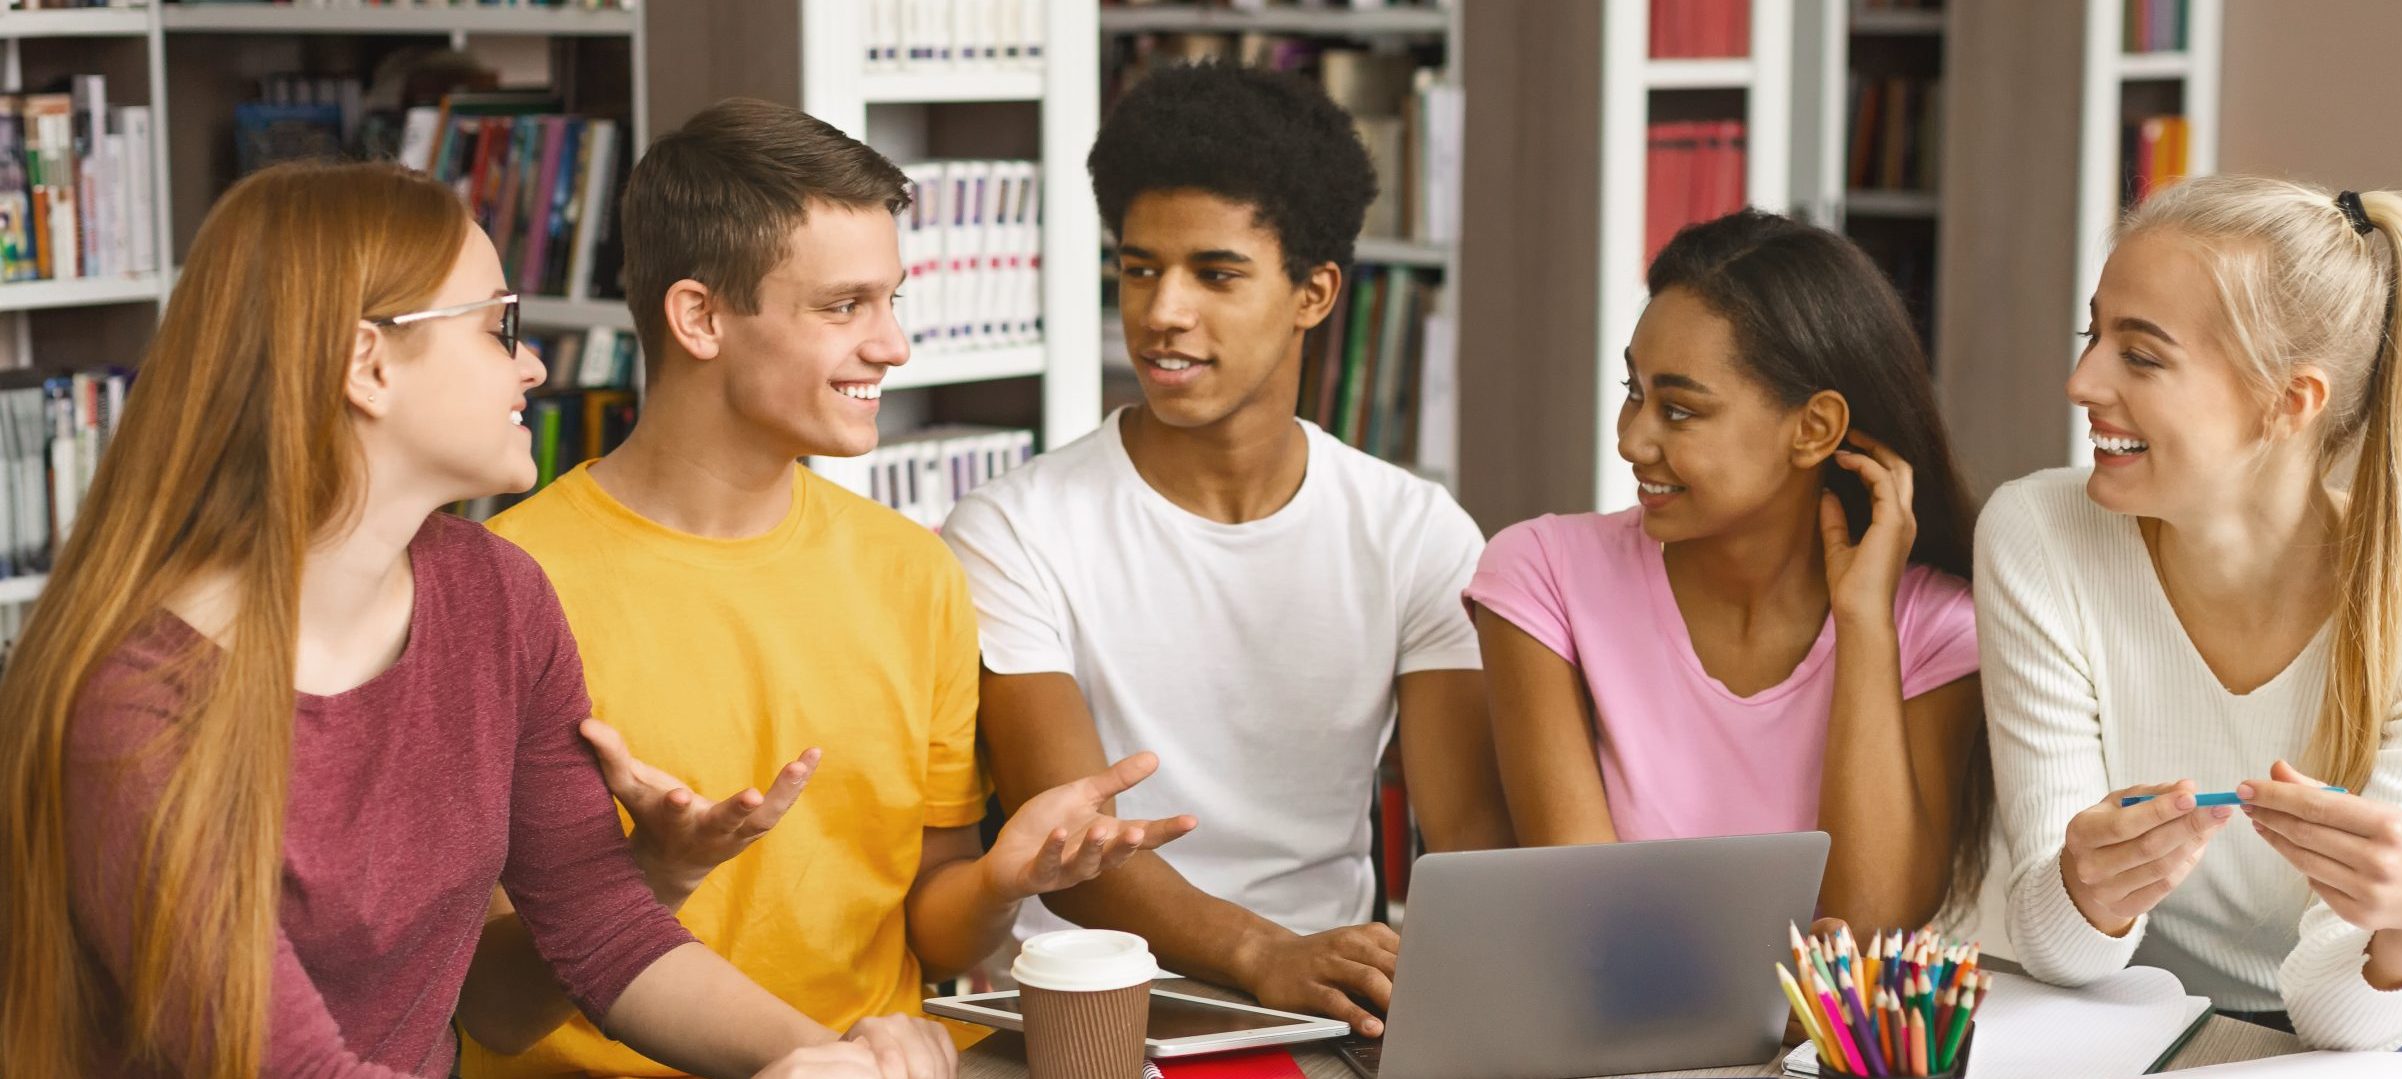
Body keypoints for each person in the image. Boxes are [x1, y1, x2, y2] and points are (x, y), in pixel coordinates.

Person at [0, 161, 922, 1079]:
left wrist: (838, 1057)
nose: (532, 362)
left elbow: (599, 924)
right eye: (496, 327)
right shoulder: (133, 701)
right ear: (368, 364)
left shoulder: (498, 596)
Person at [455, 98, 1193, 1079]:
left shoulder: (914, 570)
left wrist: (1002, 880)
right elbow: (490, 1000)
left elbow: (932, 924)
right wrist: (650, 874)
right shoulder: (508, 586)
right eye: (844, 306)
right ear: (699, 316)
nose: (893, 345)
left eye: (892, 300)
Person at [943, 63, 1507, 1039]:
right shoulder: (1012, 527)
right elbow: (1068, 845)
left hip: (1333, 1005)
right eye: (1137, 266)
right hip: (1094, 1006)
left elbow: (1466, 840)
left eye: (1215, 273)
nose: (1162, 311)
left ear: (1314, 292)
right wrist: (1259, 951)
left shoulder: (1416, 532)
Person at [1980, 176, 2402, 1059]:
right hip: (2161, 1024)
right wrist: (2087, 890)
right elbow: (2059, 953)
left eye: (2142, 355)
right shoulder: (2038, 535)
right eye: (2095, 334)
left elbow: (2338, 1019)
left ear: (2291, 401)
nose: (2081, 380)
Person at [1467, 211, 1989, 935]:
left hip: (1819, 1054)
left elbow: (1865, 926)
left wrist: (1865, 625)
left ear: (1813, 429)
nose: (1631, 439)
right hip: (1620, 1045)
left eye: (1679, 410)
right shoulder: (1540, 578)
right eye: (1634, 391)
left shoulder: (1936, 628)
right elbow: (1591, 918)